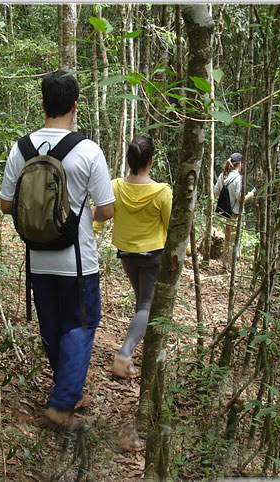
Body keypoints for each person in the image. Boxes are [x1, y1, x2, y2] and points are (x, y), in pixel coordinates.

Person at [0, 70, 115, 428]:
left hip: (37, 257)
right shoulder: (88, 150)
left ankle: (66, 387)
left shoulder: (21, 148)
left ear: (44, 103)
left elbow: (6, 205)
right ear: (75, 106)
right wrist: (78, 215)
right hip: (77, 260)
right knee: (80, 324)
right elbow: (107, 209)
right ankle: (62, 403)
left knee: (51, 327)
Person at [97, 136, 172, 378]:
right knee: (147, 306)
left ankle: (143, 346)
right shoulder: (162, 192)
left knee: (143, 304)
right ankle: (125, 354)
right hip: (153, 255)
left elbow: (100, 215)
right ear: (151, 161)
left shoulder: (115, 186)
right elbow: (173, 227)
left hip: (127, 254)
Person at [213, 152, 255, 270]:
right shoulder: (238, 178)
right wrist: (250, 195)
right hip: (235, 214)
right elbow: (239, 200)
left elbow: (216, 193)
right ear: (239, 164)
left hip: (226, 212)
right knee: (233, 241)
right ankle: (231, 267)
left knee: (227, 239)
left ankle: (225, 264)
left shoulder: (223, 175)